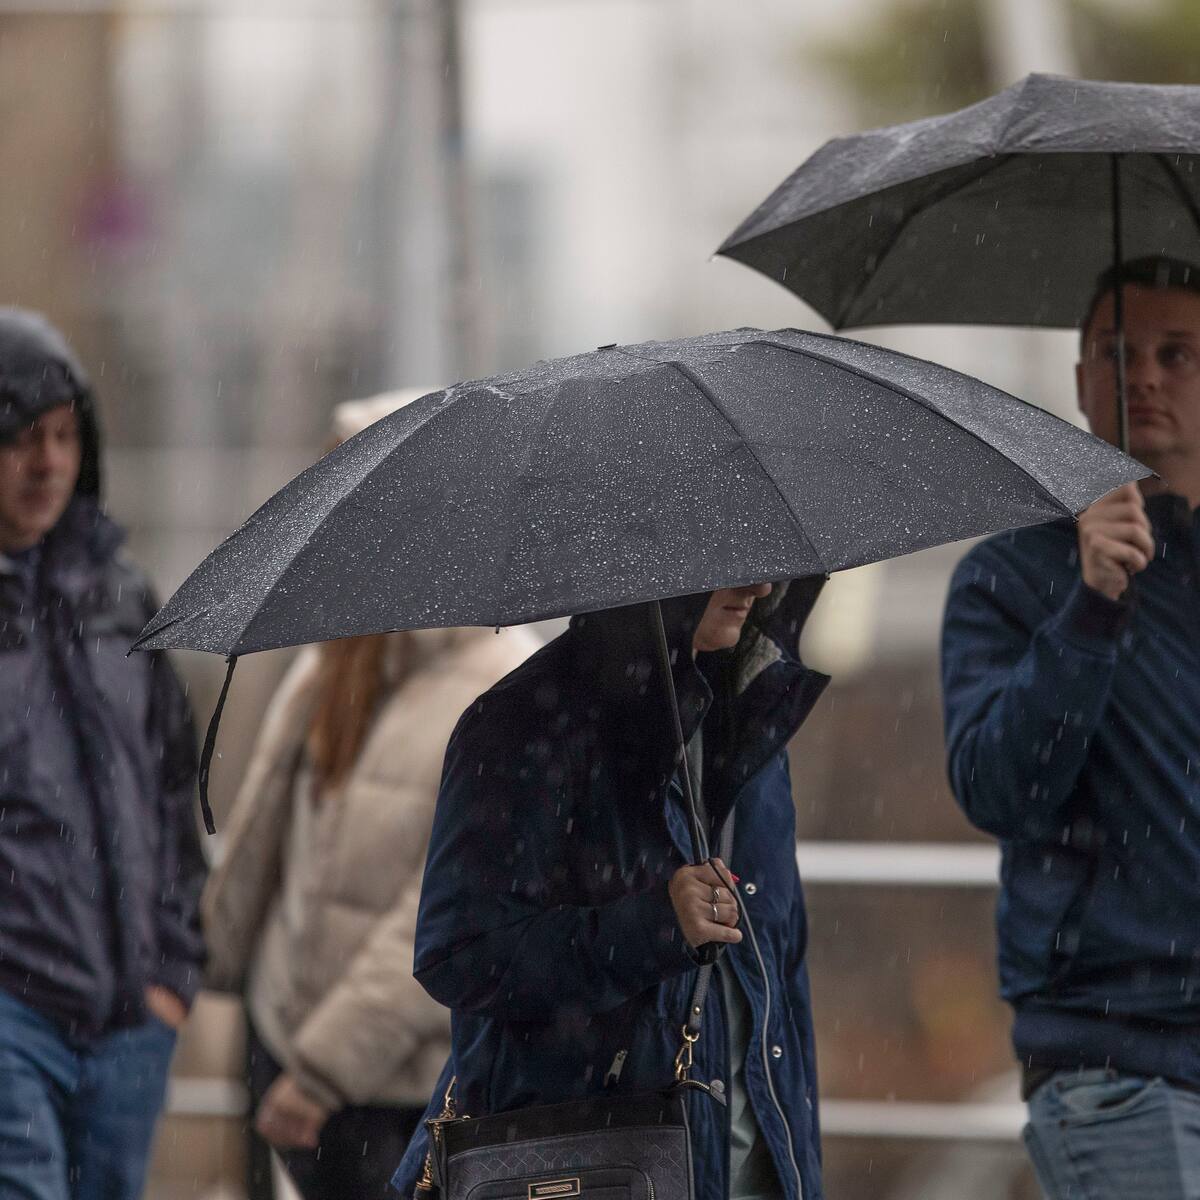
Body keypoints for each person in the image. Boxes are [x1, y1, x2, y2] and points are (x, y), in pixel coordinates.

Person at [392, 576, 830, 1200]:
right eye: (727, 554)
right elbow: (458, 955)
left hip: (750, 1174)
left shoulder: (754, 718)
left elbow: (783, 987)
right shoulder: (521, 724)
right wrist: (651, 927)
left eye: (764, 559)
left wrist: (801, 1176)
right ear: (661, 564)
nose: (758, 583)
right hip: (587, 1166)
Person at [202, 392, 539, 1200]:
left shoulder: (501, 683)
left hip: (386, 1090)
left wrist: (323, 1071)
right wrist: (202, 968)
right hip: (279, 1044)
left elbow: (448, 910)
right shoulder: (331, 663)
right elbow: (262, 848)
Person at [942, 256, 1200, 1197]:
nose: (1144, 375)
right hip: (1117, 1065)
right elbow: (999, 788)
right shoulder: (1006, 577)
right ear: (1081, 380)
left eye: (1177, 353)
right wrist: (1091, 607)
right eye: (1116, 351)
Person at [0, 309, 205, 1200]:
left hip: (130, 1021)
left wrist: (172, 975)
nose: (47, 464)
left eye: (63, 437)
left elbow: (173, 789)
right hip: (12, 1017)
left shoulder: (122, 596)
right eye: (19, 440)